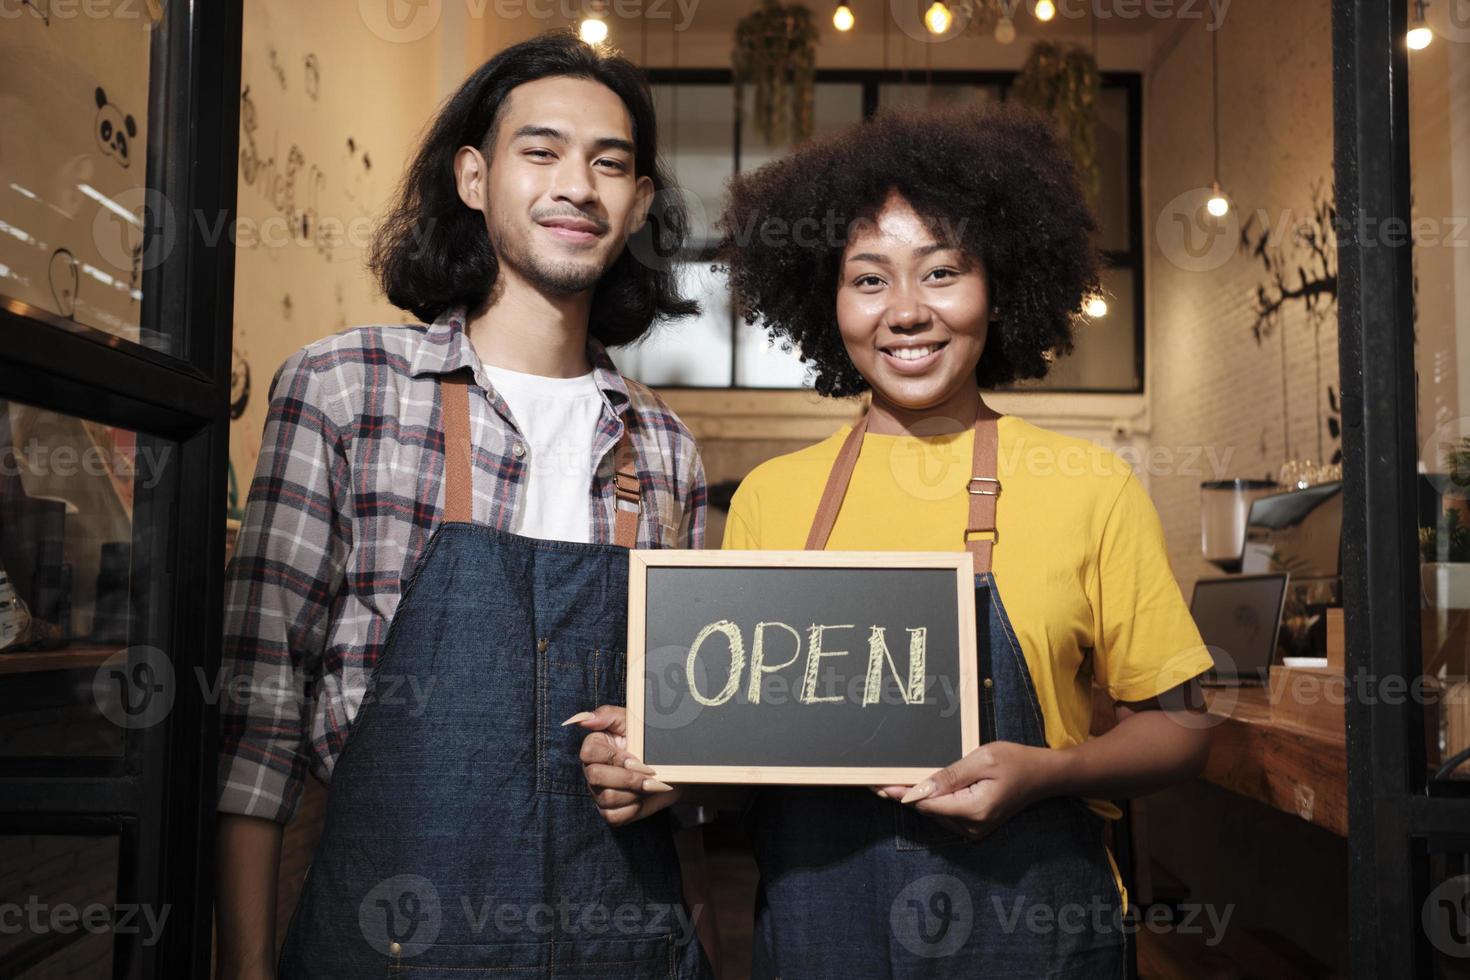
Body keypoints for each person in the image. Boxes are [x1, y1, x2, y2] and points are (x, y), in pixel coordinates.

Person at [576, 102, 1216, 977]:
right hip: (820, 934)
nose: (906, 312)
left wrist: (1043, 774)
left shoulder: (1090, 486)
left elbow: (1181, 731)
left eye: (942, 272)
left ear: (1001, 286)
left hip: (1033, 933)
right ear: (826, 300)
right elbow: (740, 759)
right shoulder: (772, 500)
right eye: (869, 279)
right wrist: (661, 760)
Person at [216, 32, 714, 980]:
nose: (578, 185)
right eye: (543, 151)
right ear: (474, 178)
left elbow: (676, 729)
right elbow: (258, 721)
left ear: (640, 204)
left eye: (610, 164)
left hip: (620, 938)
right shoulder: (344, 389)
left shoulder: (664, 448)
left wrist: (666, 770)